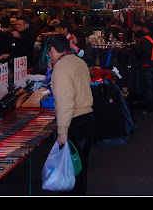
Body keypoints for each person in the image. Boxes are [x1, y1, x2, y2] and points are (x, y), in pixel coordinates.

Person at [47, 34, 94, 195]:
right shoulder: (79, 62)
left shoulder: (61, 67)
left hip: (75, 122)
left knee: (71, 168)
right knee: (80, 166)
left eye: (49, 53)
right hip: (87, 118)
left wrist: (62, 130)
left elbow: (65, 101)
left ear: (53, 50)